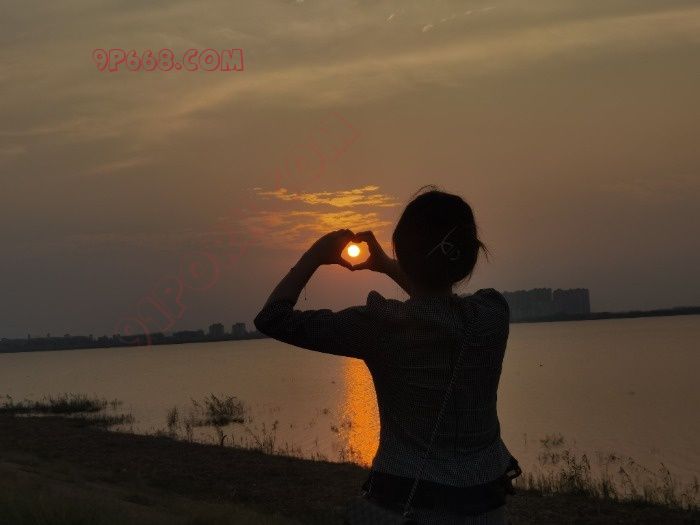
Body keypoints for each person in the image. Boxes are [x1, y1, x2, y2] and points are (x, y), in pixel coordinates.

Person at [254, 186, 519, 524]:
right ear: (470, 256)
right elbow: (439, 308)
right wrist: (389, 267)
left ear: (405, 254)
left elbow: (272, 318)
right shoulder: (492, 314)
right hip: (486, 504)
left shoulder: (381, 326)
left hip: (407, 504)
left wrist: (315, 254)